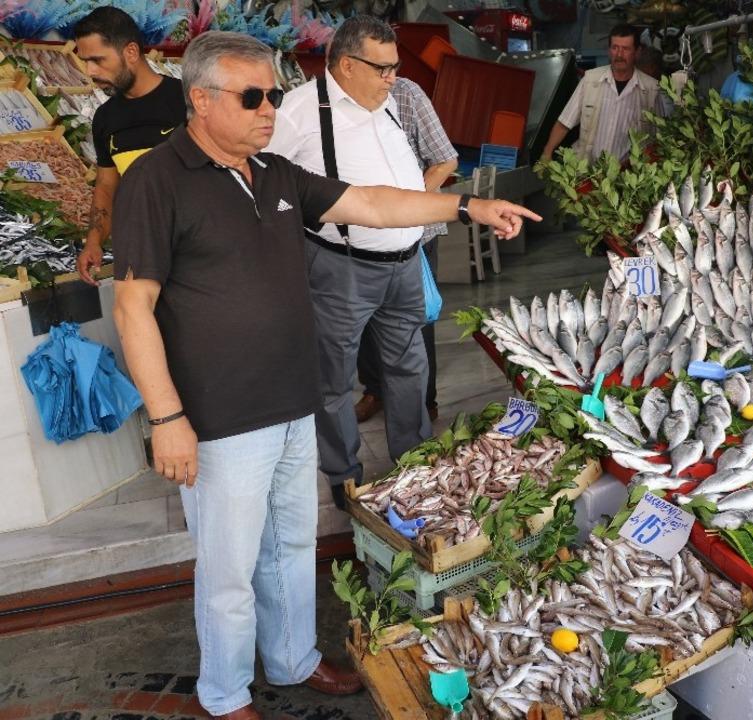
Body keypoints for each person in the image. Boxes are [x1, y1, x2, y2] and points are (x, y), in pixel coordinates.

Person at [110, 30, 537, 720]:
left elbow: (370, 204)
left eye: (273, 97)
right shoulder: (155, 181)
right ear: (201, 100)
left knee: (290, 543)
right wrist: (167, 418)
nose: (268, 110)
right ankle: (224, 694)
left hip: (290, 400)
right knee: (228, 568)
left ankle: (293, 658)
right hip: (220, 416)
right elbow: (133, 307)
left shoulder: (274, 173)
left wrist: (467, 207)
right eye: (252, 98)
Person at [265, 17, 446, 512]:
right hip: (341, 268)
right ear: (346, 65)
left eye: (395, 67)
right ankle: (344, 478)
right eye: (382, 68)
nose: (393, 78)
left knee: (410, 368)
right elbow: (262, 179)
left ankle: (414, 465)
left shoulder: (388, 103)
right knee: (334, 380)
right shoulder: (299, 111)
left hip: (405, 265)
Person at [354, 74, 458, 425]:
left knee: (416, 316)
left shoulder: (406, 94)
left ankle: (424, 401)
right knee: (364, 316)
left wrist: (406, 205)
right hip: (359, 230)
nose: (387, 74)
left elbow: (445, 160)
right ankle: (375, 390)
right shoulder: (328, 99)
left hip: (414, 231)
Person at [72, 6, 186, 286]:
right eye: (85, 61)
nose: (90, 71)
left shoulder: (187, 101)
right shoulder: (105, 118)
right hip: (142, 261)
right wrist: (94, 241)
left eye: (98, 60)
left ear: (131, 52)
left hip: (197, 259)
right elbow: (106, 186)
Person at [540, 24, 662, 163]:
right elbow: (565, 122)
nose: (619, 55)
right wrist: (547, 153)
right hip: (585, 169)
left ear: (637, 52)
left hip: (627, 173)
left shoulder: (651, 89)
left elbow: (658, 138)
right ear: (609, 50)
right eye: (615, 48)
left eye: (626, 49)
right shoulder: (590, 80)